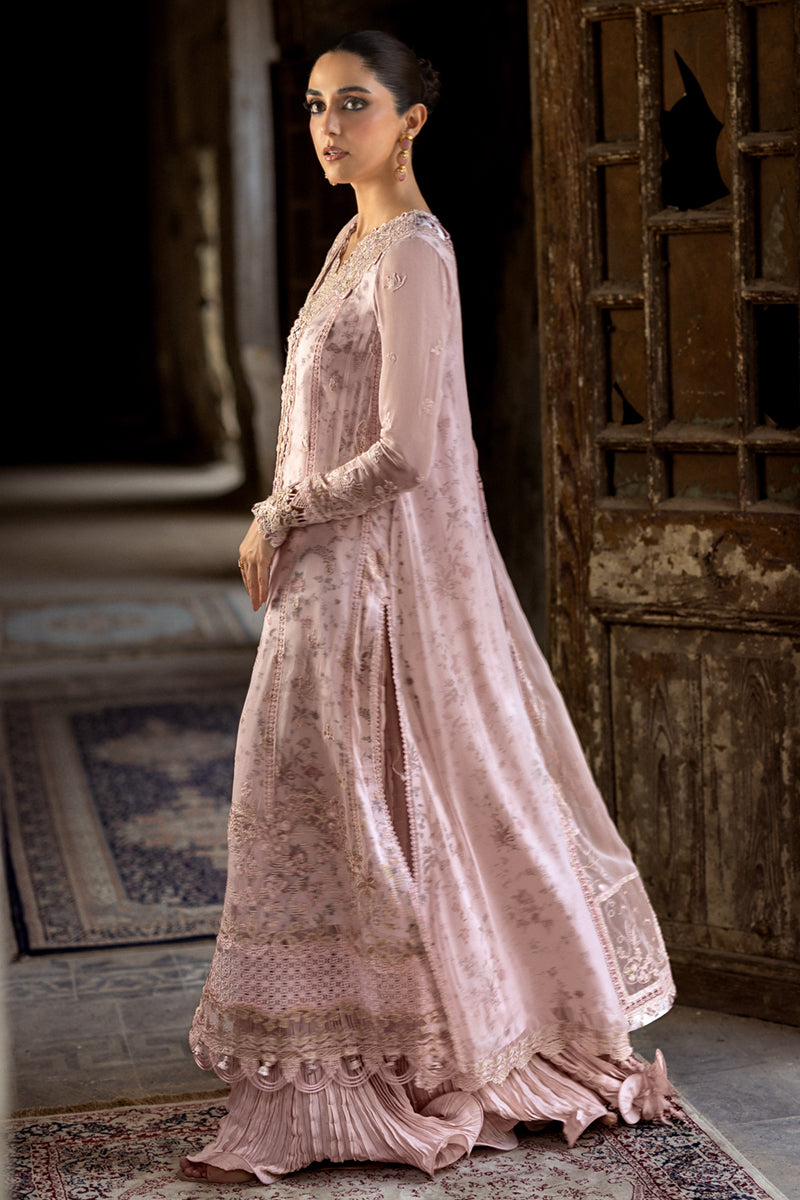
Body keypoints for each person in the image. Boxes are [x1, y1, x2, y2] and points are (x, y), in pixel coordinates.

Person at [179, 30, 677, 1186]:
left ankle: (377, 1067)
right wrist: (287, 527)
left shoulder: (410, 251)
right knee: (320, 818)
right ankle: (341, 1062)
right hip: (318, 584)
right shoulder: (349, 243)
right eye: (315, 105)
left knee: (348, 812)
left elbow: (404, 451)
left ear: (409, 120)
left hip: (361, 586)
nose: (327, 126)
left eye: (353, 104)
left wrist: (276, 513)